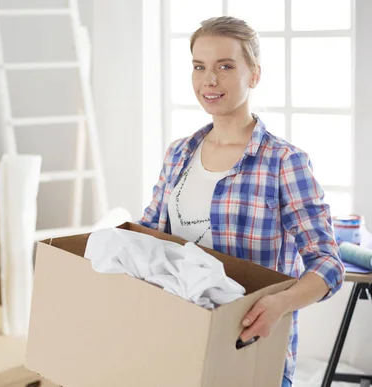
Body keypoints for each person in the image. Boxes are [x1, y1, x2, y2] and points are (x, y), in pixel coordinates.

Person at [138, 16, 345, 387]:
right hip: (177, 345)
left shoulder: (284, 162)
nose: (209, 80)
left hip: (251, 352)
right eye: (199, 67)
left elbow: (328, 264)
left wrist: (280, 304)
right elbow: (147, 238)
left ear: (255, 75)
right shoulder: (178, 154)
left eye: (225, 66)